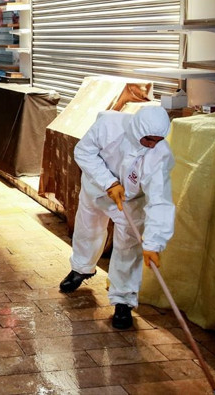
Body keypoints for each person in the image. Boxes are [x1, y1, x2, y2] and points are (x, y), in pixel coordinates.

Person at [59, 106, 175, 330]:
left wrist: (153, 242)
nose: (153, 145)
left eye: (158, 140)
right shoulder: (108, 125)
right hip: (96, 188)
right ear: (138, 130)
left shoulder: (160, 155)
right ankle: (81, 268)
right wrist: (108, 182)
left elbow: (160, 200)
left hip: (131, 201)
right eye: (149, 139)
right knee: (88, 228)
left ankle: (123, 300)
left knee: (129, 246)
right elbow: (83, 152)